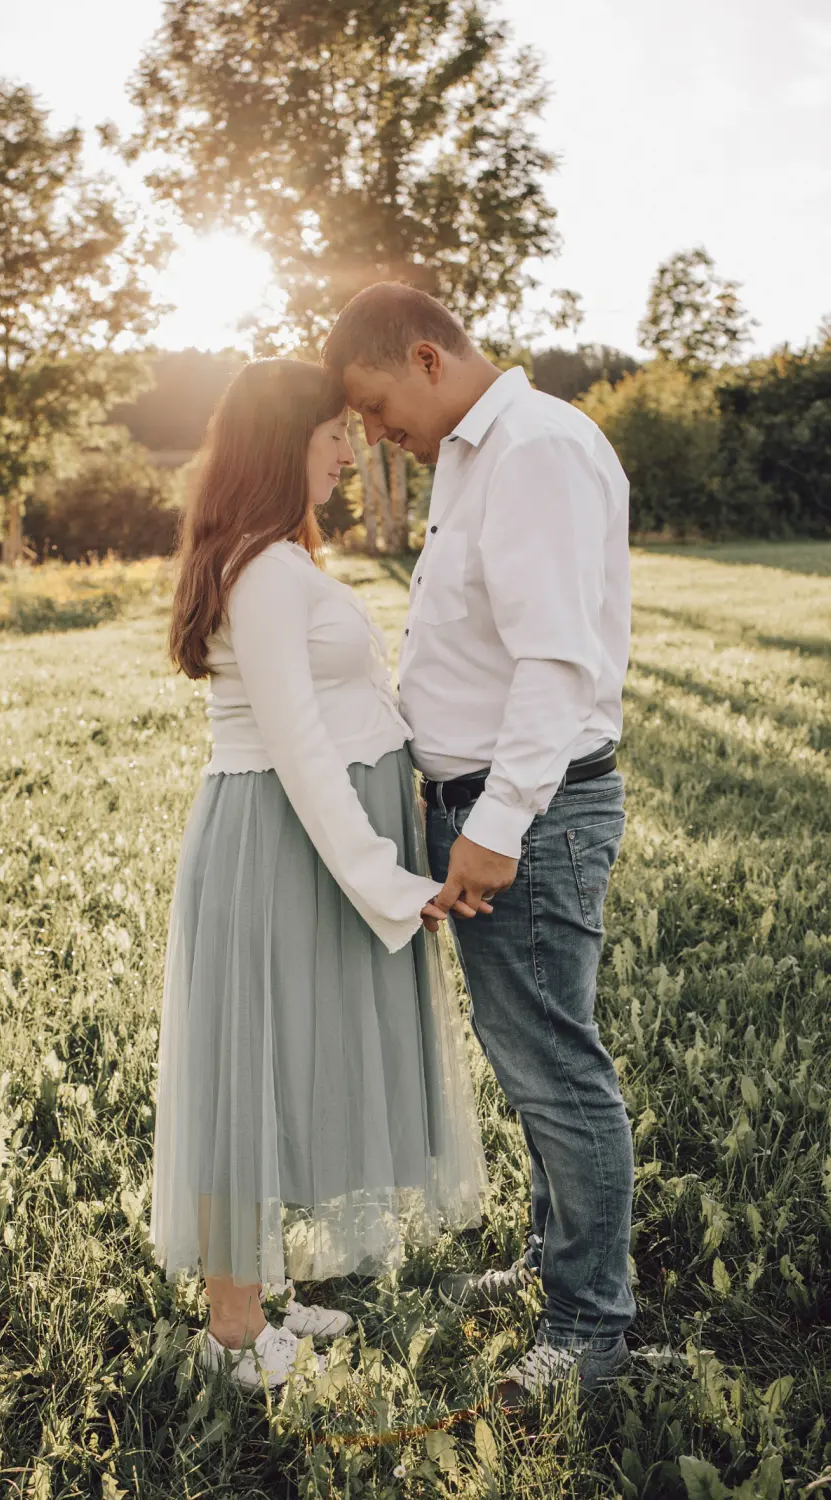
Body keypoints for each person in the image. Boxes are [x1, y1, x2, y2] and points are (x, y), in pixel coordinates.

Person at [323, 283, 634, 1406]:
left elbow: (558, 664)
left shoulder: (535, 449)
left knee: (556, 1071)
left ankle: (592, 1331)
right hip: (481, 804)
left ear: (425, 356)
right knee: (532, 1057)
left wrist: (498, 825)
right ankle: (566, 1264)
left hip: (529, 813)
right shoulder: (466, 449)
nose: (372, 434)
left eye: (374, 405)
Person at [151, 358, 487, 1391]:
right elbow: (299, 750)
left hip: (302, 850)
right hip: (282, 847)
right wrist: (392, 882)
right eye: (335, 432)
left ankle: (262, 1300)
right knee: (247, 1070)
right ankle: (235, 1338)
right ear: (281, 441)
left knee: (283, 1065)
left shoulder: (276, 561)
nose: (351, 450)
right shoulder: (260, 572)